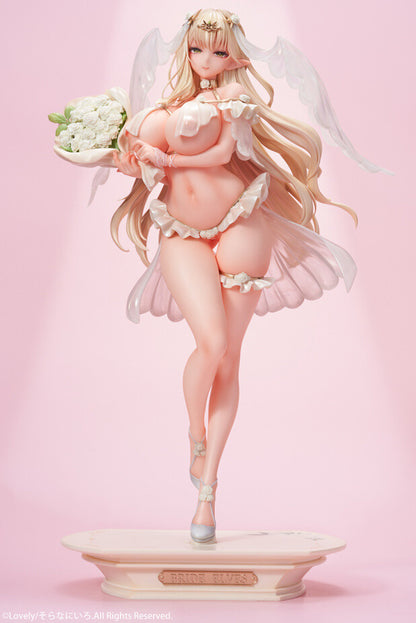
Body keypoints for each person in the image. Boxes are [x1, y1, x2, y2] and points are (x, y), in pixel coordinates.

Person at [110, 8, 382, 543]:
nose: (205, 59)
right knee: (210, 344)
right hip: (182, 231)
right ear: (185, 49)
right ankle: (195, 433)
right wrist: (130, 162)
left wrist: (166, 162)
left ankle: (208, 492)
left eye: (217, 51)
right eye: (196, 48)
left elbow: (222, 152)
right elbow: (144, 166)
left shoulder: (233, 100)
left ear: (234, 55)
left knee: (230, 357)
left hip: (240, 222)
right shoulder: (161, 108)